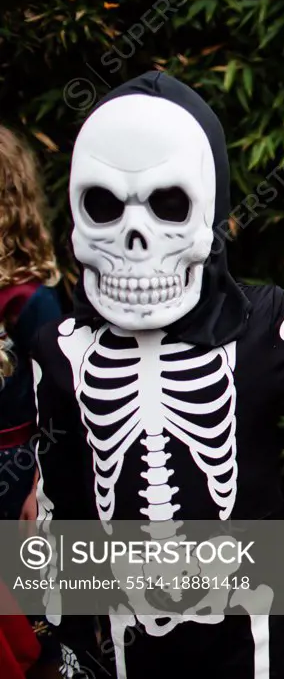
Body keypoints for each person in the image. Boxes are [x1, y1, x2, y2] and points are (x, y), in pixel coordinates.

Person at [29, 71, 284, 679]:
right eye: (103, 206)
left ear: (211, 215)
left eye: (167, 205)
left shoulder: (261, 324)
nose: (135, 237)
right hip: (128, 641)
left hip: (252, 646)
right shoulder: (65, 348)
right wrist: (63, 640)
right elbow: (61, 503)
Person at [0, 125, 66, 679]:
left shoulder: (32, 299)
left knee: (32, 631)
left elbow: (65, 400)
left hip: (17, 475)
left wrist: (40, 484)